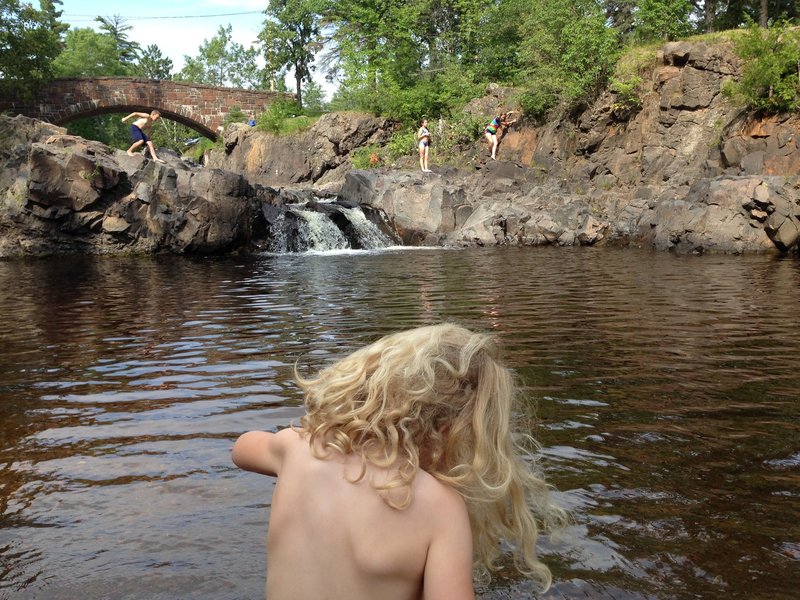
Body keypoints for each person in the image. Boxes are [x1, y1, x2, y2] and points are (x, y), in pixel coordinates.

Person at [232, 323, 567, 600]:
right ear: (448, 432)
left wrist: (318, 432)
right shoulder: (438, 505)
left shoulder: (297, 448)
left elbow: (242, 448)